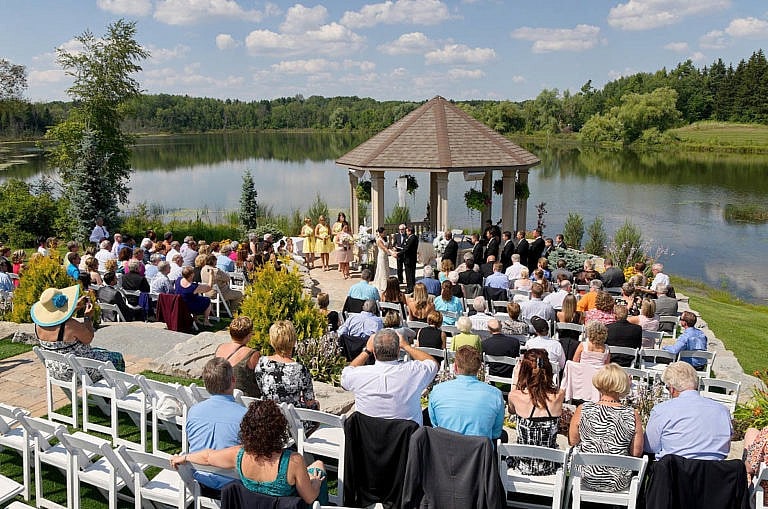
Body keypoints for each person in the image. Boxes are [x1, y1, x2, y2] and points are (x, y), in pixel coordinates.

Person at [171, 400, 327, 505]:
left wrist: (184, 457)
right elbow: (310, 497)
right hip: (286, 505)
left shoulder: (239, 454)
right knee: (318, 465)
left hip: (254, 504)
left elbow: (208, 457)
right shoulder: (293, 461)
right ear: (278, 429)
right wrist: (316, 482)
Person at [568, 364, 644, 492]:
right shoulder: (632, 414)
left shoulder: (583, 409)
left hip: (586, 476)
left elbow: (573, 441)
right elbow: (636, 453)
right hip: (617, 481)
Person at [341, 328, 438, 424]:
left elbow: (345, 376)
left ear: (374, 352)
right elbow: (433, 363)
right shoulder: (413, 371)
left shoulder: (359, 375)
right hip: (407, 438)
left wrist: (367, 351)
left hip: (368, 437)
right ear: (398, 351)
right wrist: (406, 346)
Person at [32, 284, 124, 380]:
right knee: (117, 358)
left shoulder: (38, 325)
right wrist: (87, 317)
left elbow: (57, 322)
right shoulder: (70, 325)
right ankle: (114, 391)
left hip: (56, 372)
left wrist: (75, 308)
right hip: (78, 373)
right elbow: (88, 338)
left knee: (100, 351)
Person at [185, 358, 247, 497]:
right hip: (235, 486)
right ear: (233, 380)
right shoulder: (245, 416)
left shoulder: (194, 411)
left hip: (200, 480)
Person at [644, 362, 731, 460]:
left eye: (667, 388)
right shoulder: (723, 411)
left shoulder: (662, 410)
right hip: (714, 472)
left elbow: (650, 447)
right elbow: (725, 448)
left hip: (673, 472)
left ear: (672, 389)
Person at [507, 349, 565, 475]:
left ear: (524, 372)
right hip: (549, 466)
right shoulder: (559, 395)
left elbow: (511, 411)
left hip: (522, 465)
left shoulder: (515, 396)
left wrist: (516, 382)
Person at [428, 346, 505, 441]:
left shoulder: (437, 390)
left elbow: (435, 424)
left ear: (455, 367)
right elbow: (496, 433)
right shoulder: (495, 394)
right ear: (480, 368)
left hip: (446, 449)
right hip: (479, 452)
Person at [254, 320, 318, 409]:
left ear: (272, 341)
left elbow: (262, 388)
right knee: (316, 405)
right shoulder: (301, 369)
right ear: (293, 341)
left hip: (268, 416)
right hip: (293, 419)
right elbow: (309, 402)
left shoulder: (262, 362)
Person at [214, 316, 261, 398]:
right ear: (249, 335)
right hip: (245, 401)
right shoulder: (252, 354)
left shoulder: (220, 348)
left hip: (221, 396)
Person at [398, 225, 419, 293]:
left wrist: (398, 254)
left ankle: (410, 288)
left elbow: (407, 248)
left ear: (409, 231)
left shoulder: (413, 238)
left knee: (409, 274)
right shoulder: (411, 237)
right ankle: (411, 287)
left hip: (410, 259)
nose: (406, 232)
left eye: (406, 231)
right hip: (409, 258)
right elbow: (405, 246)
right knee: (410, 274)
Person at [373, 226, 390, 291]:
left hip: (385, 256)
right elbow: (384, 248)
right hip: (381, 256)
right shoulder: (378, 240)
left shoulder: (385, 239)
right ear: (380, 233)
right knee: (382, 270)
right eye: (383, 232)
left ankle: (388, 283)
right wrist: (391, 253)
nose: (384, 234)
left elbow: (388, 247)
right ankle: (383, 285)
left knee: (386, 269)